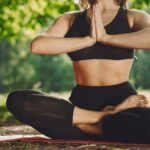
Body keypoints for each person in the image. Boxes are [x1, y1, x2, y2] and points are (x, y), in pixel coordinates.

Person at [6, 0, 150, 143]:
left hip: (124, 107)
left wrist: (105, 38)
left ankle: (95, 128)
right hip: (78, 113)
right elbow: (38, 45)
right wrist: (88, 40)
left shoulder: (133, 17)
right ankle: (101, 118)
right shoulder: (70, 19)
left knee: (140, 122)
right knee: (17, 101)